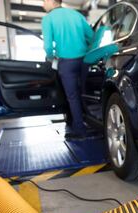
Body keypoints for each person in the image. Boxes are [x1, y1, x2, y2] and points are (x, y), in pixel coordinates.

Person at [42, 0, 93, 140]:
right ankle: (91, 122)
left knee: (72, 96)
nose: (43, 5)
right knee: (83, 92)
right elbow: (91, 36)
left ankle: (80, 131)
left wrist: (51, 57)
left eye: (44, 1)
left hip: (67, 62)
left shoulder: (48, 19)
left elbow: (47, 47)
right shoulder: (76, 14)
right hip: (84, 60)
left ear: (51, 1)